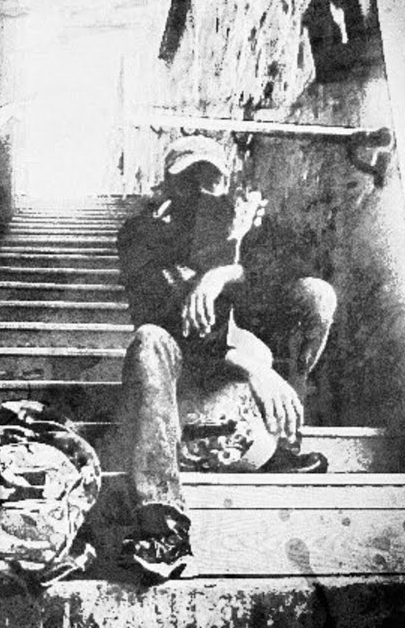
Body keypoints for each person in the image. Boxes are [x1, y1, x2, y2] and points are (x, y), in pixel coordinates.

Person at [110, 135, 338, 582]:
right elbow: (168, 317)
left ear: (225, 182)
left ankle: (282, 438)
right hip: (187, 375)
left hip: (245, 372)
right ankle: (163, 526)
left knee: (316, 294)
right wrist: (251, 364)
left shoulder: (247, 222)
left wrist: (224, 270)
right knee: (149, 339)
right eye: (188, 179)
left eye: (210, 179)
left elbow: (286, 278)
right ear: (167, 184)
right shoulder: (141, 233)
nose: (200, 191)